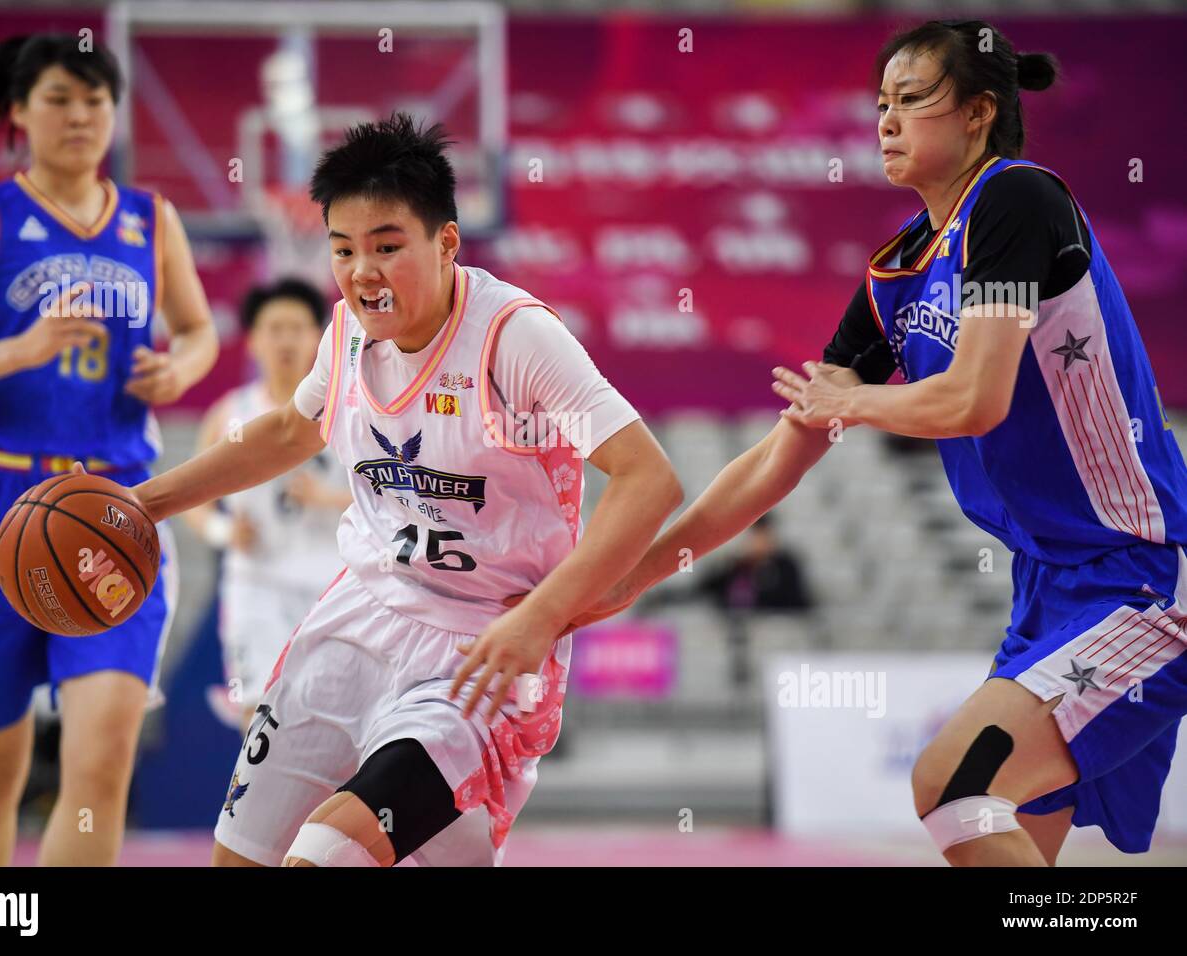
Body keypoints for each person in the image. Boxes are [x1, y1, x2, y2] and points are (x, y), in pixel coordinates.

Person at [501, 19, 1187, 867]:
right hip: (1047, 587)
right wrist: (634, 573)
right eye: (880, 104)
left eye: (911, 99)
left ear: (979, 112)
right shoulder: (897, 271)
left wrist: (858, 403)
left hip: (1143, 569)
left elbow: (976, 398)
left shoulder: (1017, 201)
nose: (885, 121)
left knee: (956, 789)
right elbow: (778, 457)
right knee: (1000, 844)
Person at [126, 113, 682, 867]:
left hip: (481, 646)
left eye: (387, 247)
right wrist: (145, 504)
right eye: (344, 250)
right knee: (239, 861)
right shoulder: (347, 332)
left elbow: (649, 479)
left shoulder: (515, 338)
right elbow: (291, 434)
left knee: (321, 860)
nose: (362, 272)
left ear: (446, 242)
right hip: (358, 619)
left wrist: (544, 617)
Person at [0, 34, 218, 866]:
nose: (80, 116)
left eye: (96, 100)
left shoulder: (151, 218)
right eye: (60, 99)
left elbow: (202, 329)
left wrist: (179, 368)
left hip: (115, 505)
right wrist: (17, 350)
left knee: (103, 758)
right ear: (19, 112)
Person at [184, 278, 351, 732]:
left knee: (335, 724)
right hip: (257, 583)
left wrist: (329, 498)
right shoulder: (230, 414)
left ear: (319, 338)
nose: (286, 340)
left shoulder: (350, 406)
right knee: (257, 716)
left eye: (297, 328)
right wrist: (222, 532)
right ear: (254, 341)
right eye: (274, 329)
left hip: (336, 586)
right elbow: (191, 500)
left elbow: (390, 493)